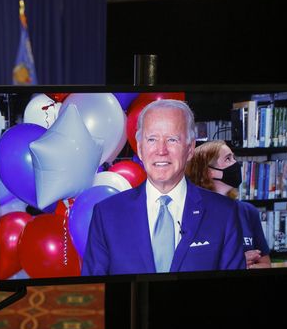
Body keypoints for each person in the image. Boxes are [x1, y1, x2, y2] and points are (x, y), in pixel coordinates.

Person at [81, 99, 245, 275]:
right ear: (140, 148)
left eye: (172, 139)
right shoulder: (106, 214)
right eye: (152, 139)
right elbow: (95, 294)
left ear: (190, 148)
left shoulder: (224, 213)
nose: (161, 150)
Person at [186, 140, 272, 269]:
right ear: (209, 172)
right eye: (228, 159)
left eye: (233, 157)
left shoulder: (248, 211)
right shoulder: (189, 215)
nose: (236, 164)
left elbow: (266, 264)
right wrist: (238, 263)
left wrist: (246, 267)